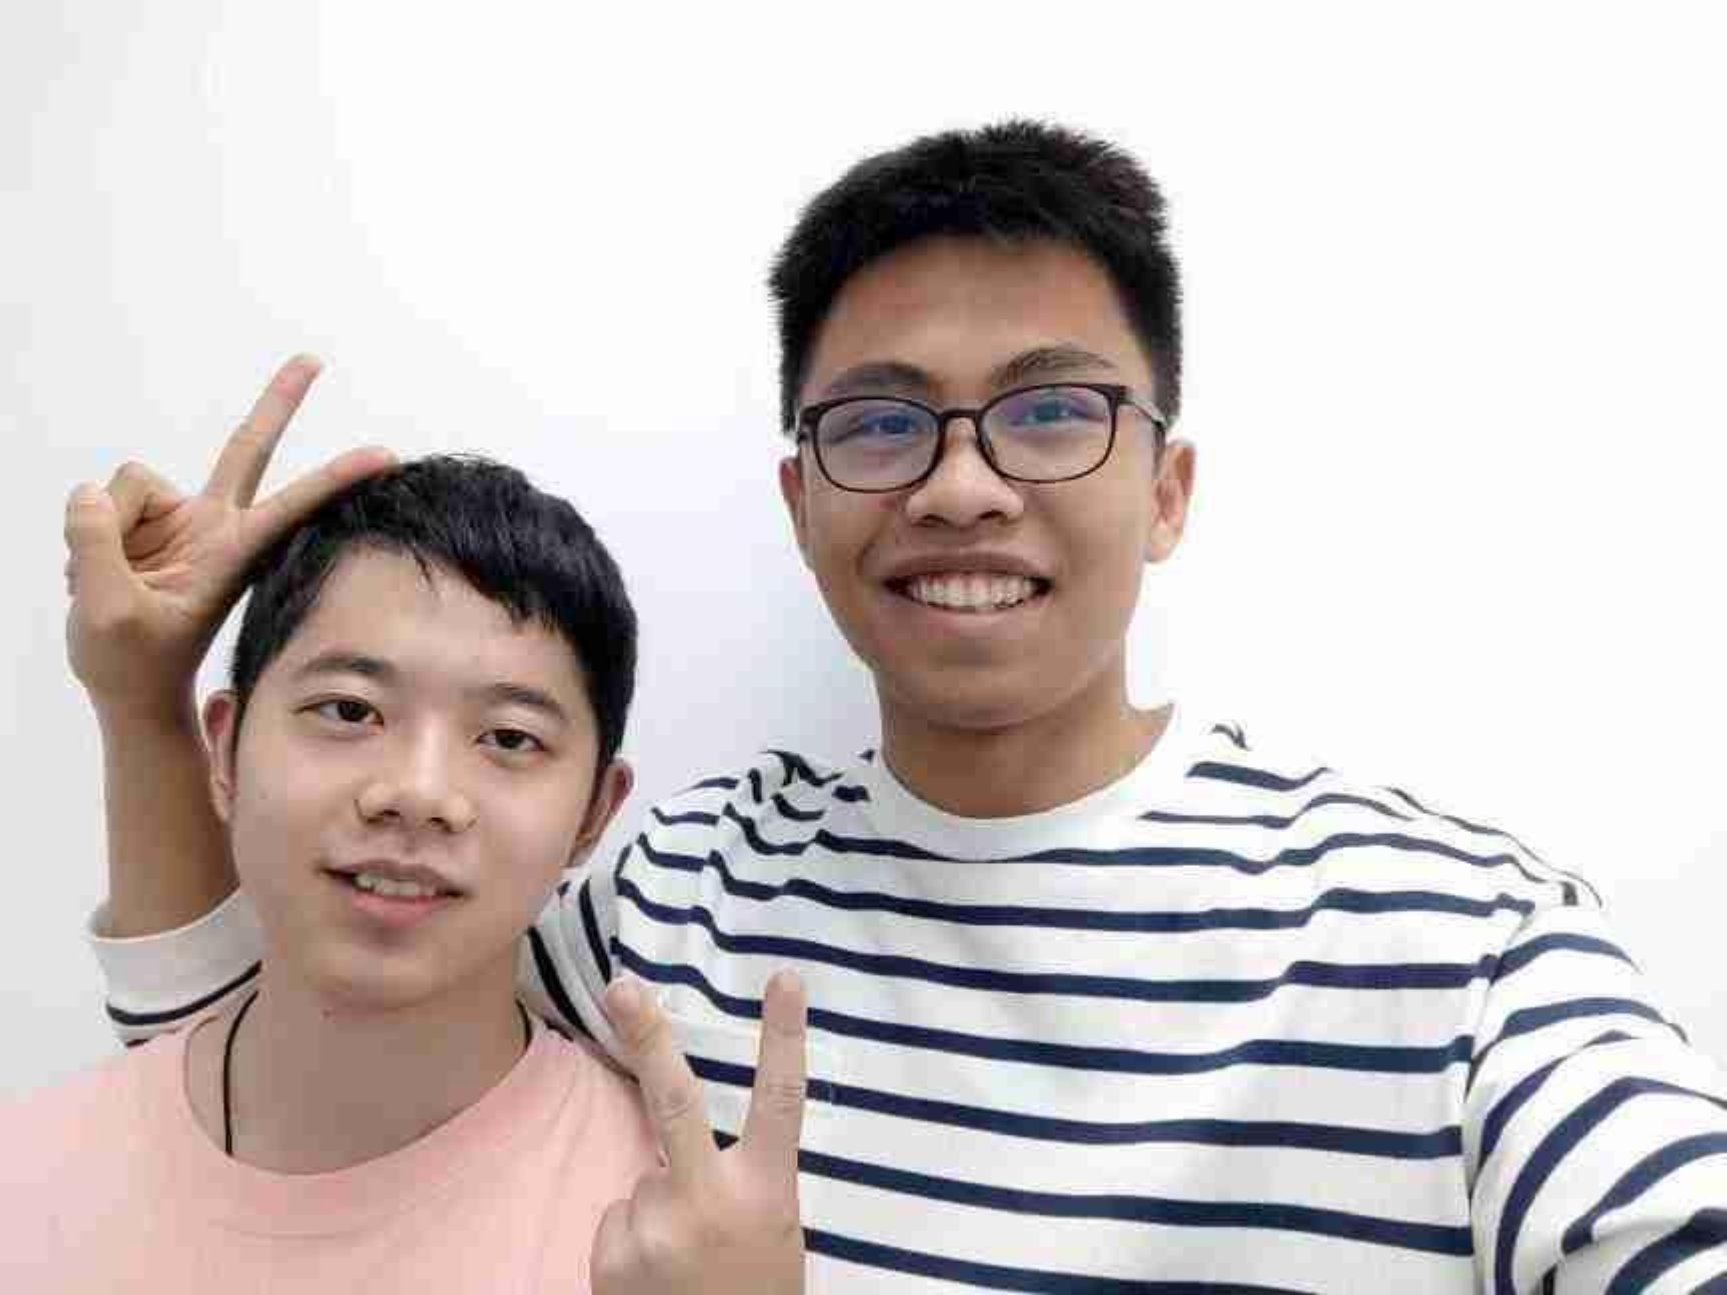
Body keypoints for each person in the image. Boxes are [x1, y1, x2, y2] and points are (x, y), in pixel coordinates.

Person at [65, 122, 1727, 1291]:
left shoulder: (1452, 939)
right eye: (879, 424)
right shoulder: (669, 895)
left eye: (1048, 411)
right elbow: (260, 1075)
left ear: (1165, 489)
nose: (960, 486)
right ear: (801, 500)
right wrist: (143, 702)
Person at [21, 457, 809, 1293]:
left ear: (592, 814)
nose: (418, 792)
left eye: (509, 737)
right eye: (349, 710)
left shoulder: (678, 1246)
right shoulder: (37, 1176)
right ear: (225, 750)